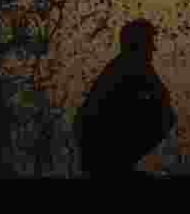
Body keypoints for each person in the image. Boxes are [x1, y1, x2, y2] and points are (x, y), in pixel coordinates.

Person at [75, 19, 177, 178]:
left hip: (92, 150)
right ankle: (116, 166)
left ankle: (117, 165)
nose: (154, 48)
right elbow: (163, 99)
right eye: (150, 42)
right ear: (138, 44)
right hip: (97, 150)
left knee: (160, 113)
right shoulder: (132, 65)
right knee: (165, 116)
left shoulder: (123, 65)